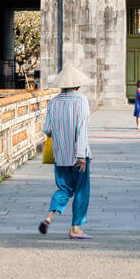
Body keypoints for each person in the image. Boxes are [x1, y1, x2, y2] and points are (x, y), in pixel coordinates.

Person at [39, 65, 93, 239]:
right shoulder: (81, 101)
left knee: (63, 188)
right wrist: (81, 155)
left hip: (60, 155)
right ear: (77, 85)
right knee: (81, 191)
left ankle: (49, 217)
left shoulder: (52, 102)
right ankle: (75, 228)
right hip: (78, 155)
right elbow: (81, 129)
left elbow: (46, 129)